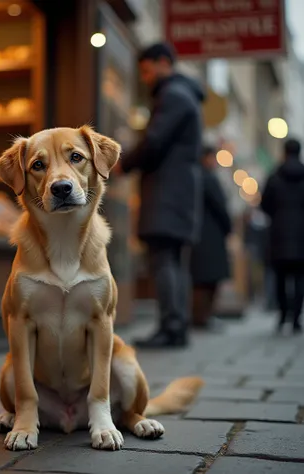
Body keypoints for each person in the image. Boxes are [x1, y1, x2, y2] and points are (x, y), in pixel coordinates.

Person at [115, 42, 205, 348]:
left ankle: (171, 328)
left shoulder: (173, 96)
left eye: (147, 69)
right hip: (179, 190)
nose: (145, 77)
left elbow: (154, 142)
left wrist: (122, 163)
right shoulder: (184, 95)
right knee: (174, 261)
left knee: (164, 259)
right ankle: (176, 326)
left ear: (164, 62)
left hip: (168, 191)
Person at [261, 138, 304, 334]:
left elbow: (264, 205)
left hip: (279, 234)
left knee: (280, 277)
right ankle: (296, 318)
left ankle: (282, 316)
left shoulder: (274, 176)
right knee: (300, 279)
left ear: (285, 152)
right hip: (302, 235)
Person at [190, 145, 231, 332]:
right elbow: (221, 207)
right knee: (208, 280)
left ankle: (201, 316)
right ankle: (203, 317)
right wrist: (228, 228)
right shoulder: (208, 178)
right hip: (211, 236)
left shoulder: (193, 177)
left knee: (201, 279)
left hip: (198, 234)